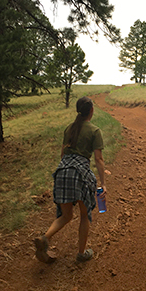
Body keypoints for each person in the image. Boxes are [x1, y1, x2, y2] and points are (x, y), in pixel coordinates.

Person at [34, 96, 106, 263]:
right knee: (84, 214)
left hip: (62, 171)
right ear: (91, 111)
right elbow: (99, 159)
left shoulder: (69, 129)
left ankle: (44, 238)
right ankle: (81, 253)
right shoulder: (95, 131)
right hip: (79, 173)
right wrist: (103, 183)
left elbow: (62, 154)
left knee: (66, 216)